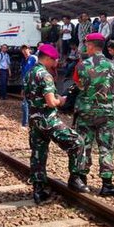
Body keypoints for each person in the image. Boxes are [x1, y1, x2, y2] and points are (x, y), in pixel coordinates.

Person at [25, 44, 89, 204]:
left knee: (38, 154)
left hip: (34, 120)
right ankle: (75, 178)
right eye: (54, 60)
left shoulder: (30, 73)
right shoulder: (45, 75)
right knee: (77, 142)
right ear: (47, 59)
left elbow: (31, 96)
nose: (56, 62)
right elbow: (51, 102)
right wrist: (63, 99)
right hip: (48, 120)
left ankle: (39, 191)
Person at [75, 33, 114, 196]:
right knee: (106, 146)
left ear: (90, 45)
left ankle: (81, 180)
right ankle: (107, 184)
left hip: (85, 111)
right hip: (106, 111)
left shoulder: (82, 65)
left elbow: (80, 85)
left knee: (84, 144)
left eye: (86, 45)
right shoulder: (113, 65)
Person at [20, 44, 37, 129]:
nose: (24, 51)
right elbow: (23, 74)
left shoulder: (33, 58)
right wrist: (23, 87)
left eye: (26, 49)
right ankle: (28, 123)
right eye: (23, 49)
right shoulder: (23, 61)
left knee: (26, 104)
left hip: (33, 84)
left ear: (29, 50)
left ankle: (25, 124)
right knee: (26, 104)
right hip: (26, 84)